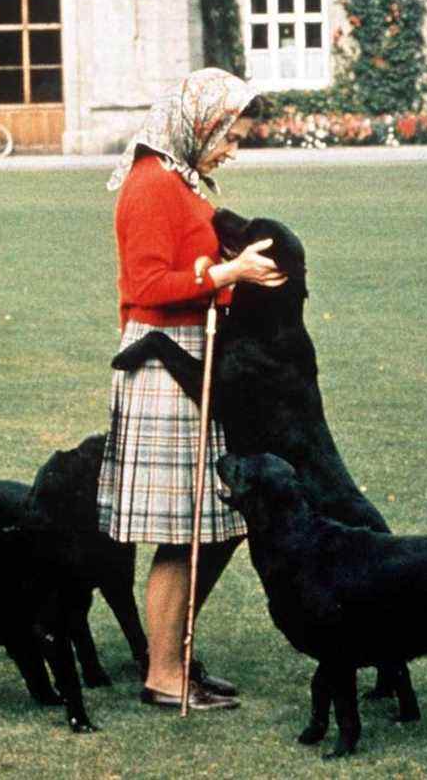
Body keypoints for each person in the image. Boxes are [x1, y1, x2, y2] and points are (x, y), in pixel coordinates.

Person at [97, 68, 284, 711]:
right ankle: (164, 673)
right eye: (228, 133)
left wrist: (233, 278)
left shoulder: (178, 180)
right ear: (196, 126)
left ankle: (169, 649)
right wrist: (229, 270)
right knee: (186, 530)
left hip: (192, 357)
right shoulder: (151, 184)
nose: (234, 147)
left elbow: (187, 265)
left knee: (220, 520)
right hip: (163, 361)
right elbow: (146, 288)